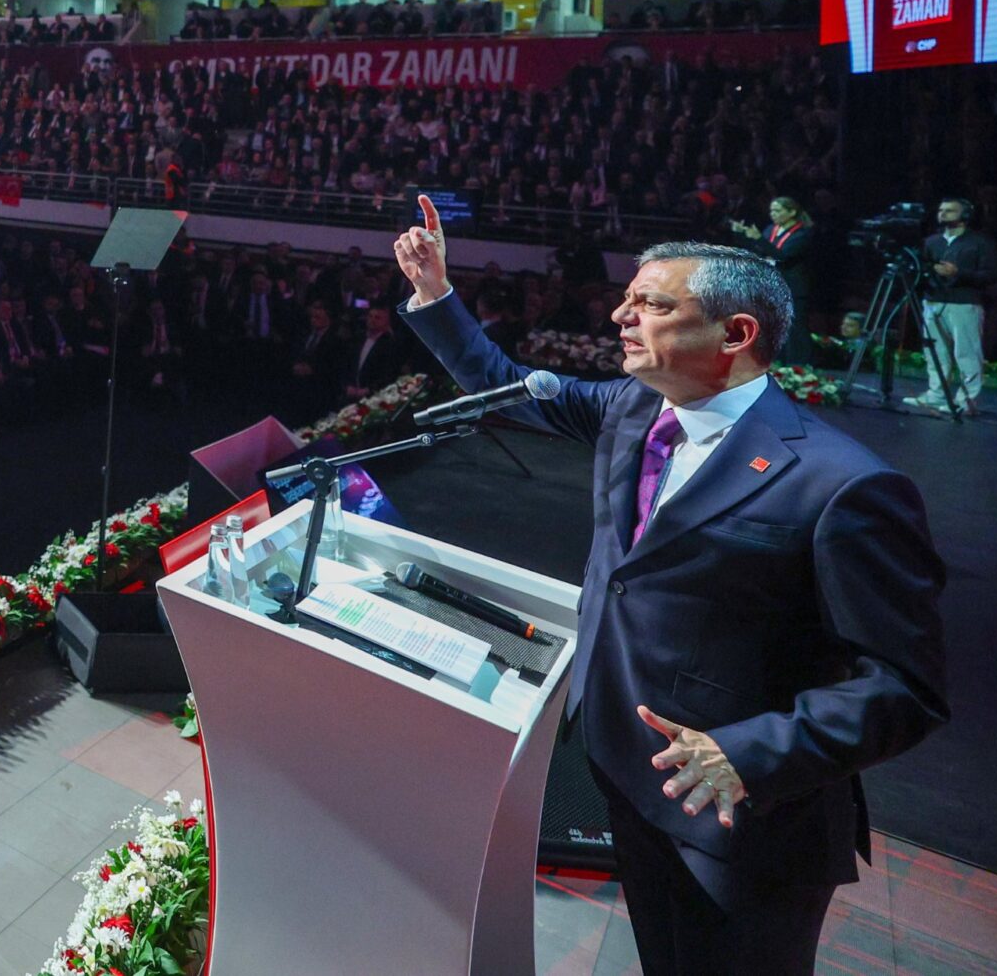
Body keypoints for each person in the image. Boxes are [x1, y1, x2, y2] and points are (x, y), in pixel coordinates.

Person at [393, 197, 947, 976]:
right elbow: (504, 382)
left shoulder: (844, 484)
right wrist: (433, 292)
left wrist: (748, 752)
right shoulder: (631, 408)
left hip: (743, 816)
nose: (621, 313)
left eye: (651, 302)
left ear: (736, 333)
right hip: (628, 776)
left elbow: (905, 686)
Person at [916, 198, 995, 417]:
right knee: (935, 352)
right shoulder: (931, 241)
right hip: (933, 301)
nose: (943, 214)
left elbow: (990, 275)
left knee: (966, 354)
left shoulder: (980, 243)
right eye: (941, 210)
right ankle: (937, 394)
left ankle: (967, 400)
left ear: (966, 215)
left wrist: (958, 273)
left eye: (950, 211)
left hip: (964, 303)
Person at [727, 197, 819, 365]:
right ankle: (780, 364)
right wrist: (740, 235)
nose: (773, 214)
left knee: (796, 328)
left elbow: (783, 255)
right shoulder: (771, 229)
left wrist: (759, 239)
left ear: (792, 212)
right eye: (771, 211)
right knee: (776, 326)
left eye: (777, 211)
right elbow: (759, 251)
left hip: (793, 286)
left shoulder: (803, 233)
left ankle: (802, 365)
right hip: (773, 286)